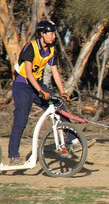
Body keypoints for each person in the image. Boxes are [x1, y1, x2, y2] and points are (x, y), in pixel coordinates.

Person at [8, 20, 94, 165]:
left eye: (54, 33)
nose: (54, 36)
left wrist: (63, 91)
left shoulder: (51, 49)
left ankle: (73, 140)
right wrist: (41, 91)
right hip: (22, 86)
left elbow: (54, 71)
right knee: (21, 120)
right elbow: (29, 74)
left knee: (58, 106)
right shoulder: (31, 48)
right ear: (42, 34)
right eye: (51, 33)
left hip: (37, 85)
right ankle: (13, 156)